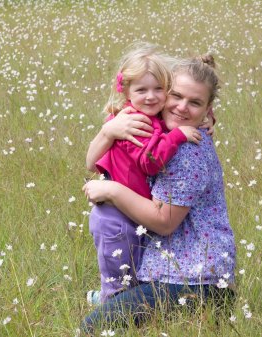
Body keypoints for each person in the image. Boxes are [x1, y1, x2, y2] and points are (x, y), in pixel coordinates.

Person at [81, 54, 236, 334]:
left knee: (93, 327)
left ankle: (201, 305)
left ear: (207, 108)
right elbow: (92, 160)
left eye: (195, 103)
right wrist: (108, 130)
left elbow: (164, 222)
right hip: (176, 272)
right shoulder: (161, 129)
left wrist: (112, 189)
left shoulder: (185, 152)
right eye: (176, 95)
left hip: (191, 280)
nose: (181, 107)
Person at [86, 44, 202, 304]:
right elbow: (150, 163)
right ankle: (109, 306)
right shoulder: (132, 122)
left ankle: (112, 300)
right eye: (141, 90)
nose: (151, 96)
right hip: (115, 216)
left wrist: (207, 118)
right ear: (126, 91)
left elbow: (185, 107)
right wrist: (178, 135)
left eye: (158, 89)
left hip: (127, 209)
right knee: (119, 277)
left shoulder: (149, 115)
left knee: (132, 268)